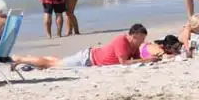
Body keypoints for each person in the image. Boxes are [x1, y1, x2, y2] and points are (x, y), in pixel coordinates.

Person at [13, 24, 153, 69]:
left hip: (90, 58)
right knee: (51, 65)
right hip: (87, 59)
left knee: (56, 61)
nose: (142, 42)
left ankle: (29, 58)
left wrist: (149, 59)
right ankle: (21, 59)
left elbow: (136, 58)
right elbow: (124, 62)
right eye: (140, 39)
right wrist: (146, 60)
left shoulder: (134, 45)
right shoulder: (122, 40)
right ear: (133, 36)